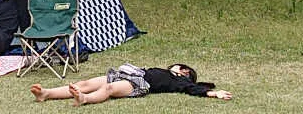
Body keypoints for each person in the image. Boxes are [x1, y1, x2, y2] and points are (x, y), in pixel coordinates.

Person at [30, 63, 233, 106]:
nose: (183, 70)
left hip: (139, 84)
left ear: (186, 74)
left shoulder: (178, 80)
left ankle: (84, 100)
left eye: (186, 71)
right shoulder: (164, 70)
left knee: (108, 89)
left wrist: (212, 93)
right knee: (84, 82)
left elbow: (192, 89)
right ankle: (46, 93)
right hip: (129, 74)